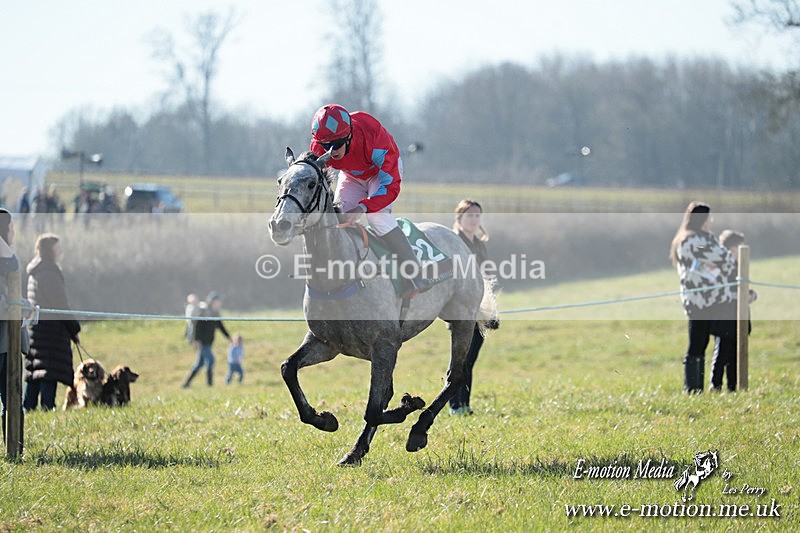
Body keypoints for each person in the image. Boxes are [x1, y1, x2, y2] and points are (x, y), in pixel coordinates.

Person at [309, 104, 431, 297]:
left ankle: (414, 272)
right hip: (352, 176)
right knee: (338, 219)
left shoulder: (371, 135)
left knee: (376, 216)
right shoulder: (318, 148)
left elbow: (390, 186)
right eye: (325, 146)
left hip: (380, 174)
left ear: (348, 136)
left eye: (337, 144)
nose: (331, 151)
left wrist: (363, 207)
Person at [669, 202, 736, 394]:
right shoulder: (691, 241)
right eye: (709, 218)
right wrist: (719, 256)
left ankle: (710, 386)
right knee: (698, 343)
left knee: (712, 341)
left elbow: (725, 260)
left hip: (714, 298)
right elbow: (723, 257)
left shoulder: (703, 239)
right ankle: (693, 388)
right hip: (699, 301)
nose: (711, 221)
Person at [23, 234, 81, 410]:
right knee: (49, 370)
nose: (60, 251)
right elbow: (60, 304)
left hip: (37, 328)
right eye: (58, 247)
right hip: (51, 330)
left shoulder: (36, 270)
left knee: (36, 371)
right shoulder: (48, 272)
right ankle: (47, 407)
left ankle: (29, 406)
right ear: (50, 250)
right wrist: (74, 328)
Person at [449, 199, 495, 415]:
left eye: (477, 215)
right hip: (461, 309)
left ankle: (465, 404)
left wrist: (490, 311)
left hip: (480, 308)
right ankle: (453, 405)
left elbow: (485, 278)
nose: (474, 219)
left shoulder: (479, 243)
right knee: (461, 358)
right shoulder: (454, 242)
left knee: (471, 359)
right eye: (469, 215)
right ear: (460, 218)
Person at [709, 230, 757, 392]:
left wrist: (751, 294)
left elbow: (743, 288)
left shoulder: (739, 267)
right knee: (722, 353)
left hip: (738, 316)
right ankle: (715, 386)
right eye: (740, 247)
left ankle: (732, 387)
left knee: (736, 354)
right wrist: (741, 296)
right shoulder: (722, 267)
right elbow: (723, 291)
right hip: (724, 316)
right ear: (733, 249)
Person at [0, 209, 21, 437]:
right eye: (10, 227)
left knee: (12, 396)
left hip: (6, 338)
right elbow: (13, 263)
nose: (13, 232)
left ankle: (14, 447)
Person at [182, 291, 230, 388]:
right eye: (216, 302)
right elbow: (197, 326)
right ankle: (210, 384)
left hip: (209, 341)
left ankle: (186, 384)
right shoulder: (204, 311)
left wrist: (228, 337)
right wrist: (196, 340)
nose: (218, 304)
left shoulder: (216, 313)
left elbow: (220, 326)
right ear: (212, 302)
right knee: (211, 360)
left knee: (199, 364)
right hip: (202, 342)